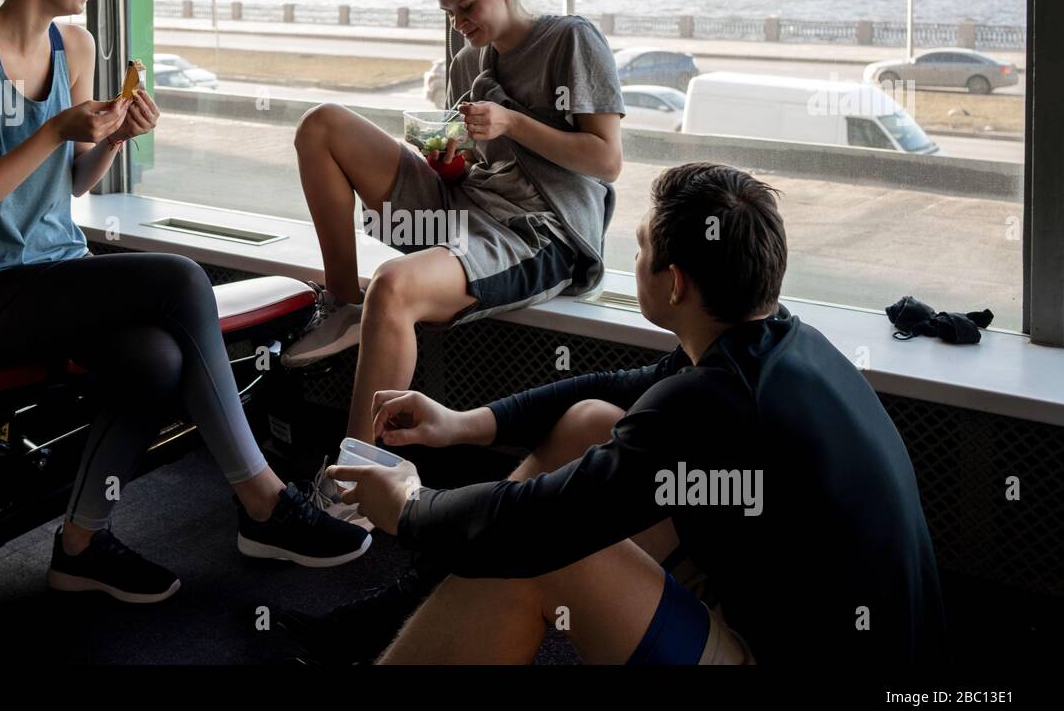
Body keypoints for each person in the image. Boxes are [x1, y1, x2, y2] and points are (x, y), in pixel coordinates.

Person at [304, 162, 948, 664]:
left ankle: (425, 619)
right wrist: (463, 422)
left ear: (674, 284)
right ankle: (425, 605)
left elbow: (539, 524)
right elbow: (623, 385)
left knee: (539, 553)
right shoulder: (774, 339)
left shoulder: (713, 402)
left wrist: (411, 508)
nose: (630, 259)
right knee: (590, 421)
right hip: (844, 632)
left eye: (641, 249)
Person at [0, 0, 370, 605]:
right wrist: (52, 131)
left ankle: (79, 546)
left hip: (52, 270)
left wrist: (112, 139)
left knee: (154, 359)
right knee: (181, 279)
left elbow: (61, 185)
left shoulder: (76, 47)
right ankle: (262, 499)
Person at [286, 0, 625, 517]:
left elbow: (606, 161)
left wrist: (514, 123)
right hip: (469, 204)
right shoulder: (472, 62)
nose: (461, 24)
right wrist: (444, 161)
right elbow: (471, 168)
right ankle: (341, 303)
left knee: (393, 287)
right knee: (322, 125)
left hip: (539, 229)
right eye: (450, 15)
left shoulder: (571, 40)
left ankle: (356, 487)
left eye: (468, 8)